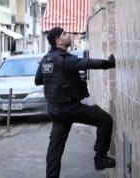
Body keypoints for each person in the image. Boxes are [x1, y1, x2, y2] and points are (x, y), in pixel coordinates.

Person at [35, 27, 116, 178]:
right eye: (65, 34)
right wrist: (109, 64)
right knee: (105, 119)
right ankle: (100, 159)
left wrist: (58, 78)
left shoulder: (47, 59)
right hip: (69, 108)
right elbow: (87, 63)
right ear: (58, 40)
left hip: (55, 110)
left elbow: (38, 80)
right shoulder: (65, 59)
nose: (69, 36)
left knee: (55, 149)